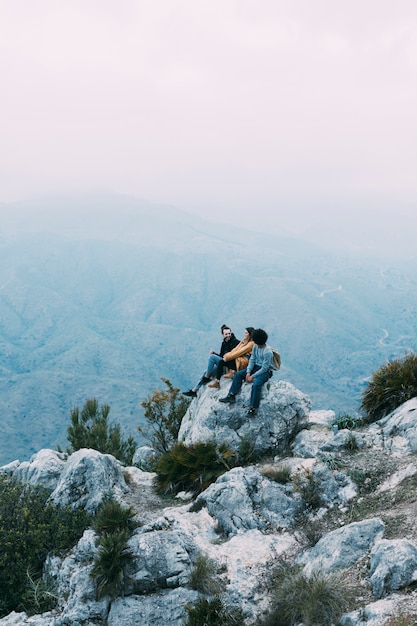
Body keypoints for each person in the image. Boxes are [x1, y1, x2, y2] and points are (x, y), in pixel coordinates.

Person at [219, 328, 273, 416]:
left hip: (265, 371)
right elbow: (252, 359)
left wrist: (253, 376)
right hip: (255, 367)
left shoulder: (267, 352)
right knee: (239, 374)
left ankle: (253, 408)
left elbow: (265, 368)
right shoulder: (255, 346)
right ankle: (231, 395)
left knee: (256, 385)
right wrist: (248, 372)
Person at [182, 324, 240, 397]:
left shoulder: (235, 342)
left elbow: (234, 355)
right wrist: (215, 353)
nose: (228, 335)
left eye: (229, 333)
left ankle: (207, 377)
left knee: (212, 357)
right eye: (226, 334)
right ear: (222, 334)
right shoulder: (224, 342)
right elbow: (222, 356)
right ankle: (195, 390)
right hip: (223, 364)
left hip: (229, 367)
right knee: (205, 371)